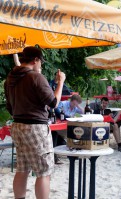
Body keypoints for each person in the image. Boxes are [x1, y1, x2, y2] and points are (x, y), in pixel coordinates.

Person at [4, 46, 66, 199]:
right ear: (35, 60)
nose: (41, 66)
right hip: (35, 128)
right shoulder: (35, 77)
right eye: (41, 62)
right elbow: (53, 103)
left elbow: (10, 108)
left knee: (22, 168)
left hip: (17, 126)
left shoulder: (10, 79)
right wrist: (61, 83)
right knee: (44, 172)